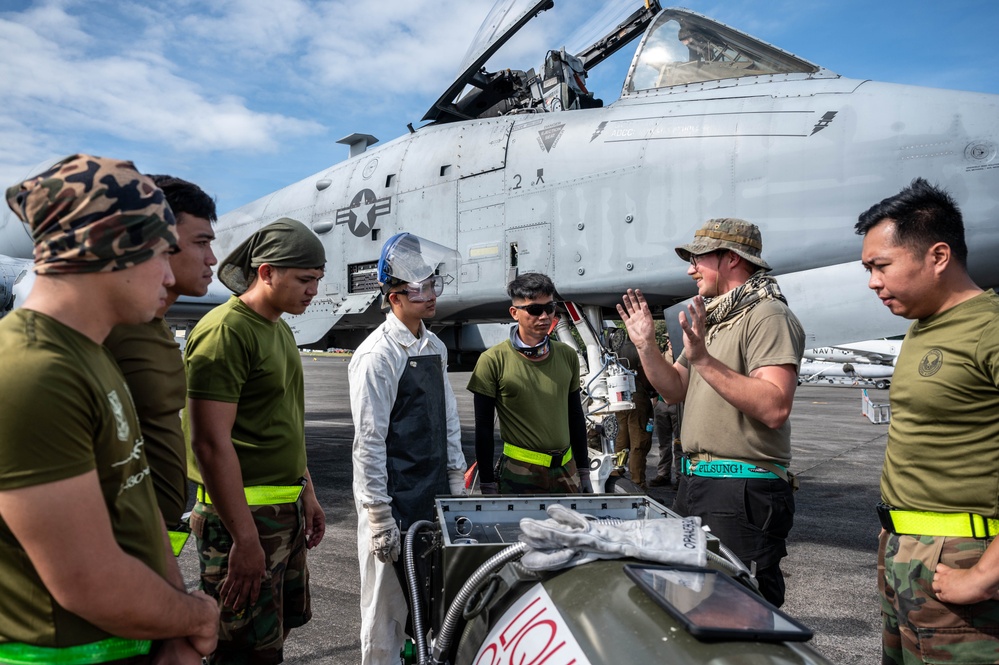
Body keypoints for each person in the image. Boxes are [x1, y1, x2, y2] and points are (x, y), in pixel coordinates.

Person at [0, 154, 218, 663]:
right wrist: (197, 617)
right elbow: (85, 580)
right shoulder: (33, 372)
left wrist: (171, 627)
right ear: (113, 247)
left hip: (126, 639)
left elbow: (136, 502)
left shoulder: (90, 355)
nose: (170, 275)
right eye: (162, 252)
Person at [618, 218, 804, 607]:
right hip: (698, 485)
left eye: (698, 258)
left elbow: (774, 406)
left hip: (740, 490)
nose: (690, 268)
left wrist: (702, 358)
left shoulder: (768, 315)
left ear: (731, 259)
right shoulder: (715, 318)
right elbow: (673, 390)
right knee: (690, 602)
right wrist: (646, 346)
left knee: (737, 610)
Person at [855, 178, 999, 663]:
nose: (873, 281)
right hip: (903, 553)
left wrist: (984, 575)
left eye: (881, 266)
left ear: (938, 256)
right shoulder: (921, 326)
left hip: (962, 560)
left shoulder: (990, 328)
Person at [184, 218, 327, 664]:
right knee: (239, 653)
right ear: (266, 272)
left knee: (269, 648)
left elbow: (280, 421)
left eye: (317, 280)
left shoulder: (280, 328)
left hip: (281, 519)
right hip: (242, 525)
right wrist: (244, 540)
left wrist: (308, 493)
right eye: (305, 279)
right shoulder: (226, 331)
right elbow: (209, 444)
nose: (313, 291)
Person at [348, 233, 467, 665]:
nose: (432, 293)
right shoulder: (377, 355)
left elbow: (447, 421)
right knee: (386, 615)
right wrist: (378, 516)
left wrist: (456, 483)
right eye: (422, 287)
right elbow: (369, 441)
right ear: (394, 295)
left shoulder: (433, 347)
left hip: (432, 495)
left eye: (434, 283)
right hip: (394, 502)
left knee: (430, 606)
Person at [105, 175, 217, 555]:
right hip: (117, 548)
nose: (212, 259)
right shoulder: (109, 330)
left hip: (155, 544)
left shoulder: (155, 328)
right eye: (201, 243)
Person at [468, 272, 590, 494]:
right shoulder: (493, 360)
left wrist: (583, 471)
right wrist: (486, 482)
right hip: (519, 475)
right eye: (534, 310)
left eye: (550, 308)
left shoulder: (567, 356)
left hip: (567, 472)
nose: (544, 316)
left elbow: (575, 416)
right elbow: (483, 429)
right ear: (515, 313)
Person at [613, 335, 654, 490]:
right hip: (637, 396)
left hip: (619, 397)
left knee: (621, 440)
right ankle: (638, 483)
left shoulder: (615, 348)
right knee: (639, 442)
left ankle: (616, 474)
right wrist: (651, 389)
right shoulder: (639, 348)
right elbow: (645, 376)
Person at [651, 339, 683, 487]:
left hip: (679, 405)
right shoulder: (661, 357)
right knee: (664, 443)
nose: (671, 342)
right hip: (662, 403)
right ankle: (663, 474)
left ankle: (680, 476)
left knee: (679, 443)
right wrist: (654, 400)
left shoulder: (683, 356)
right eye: (668, 339)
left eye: (672, 338)